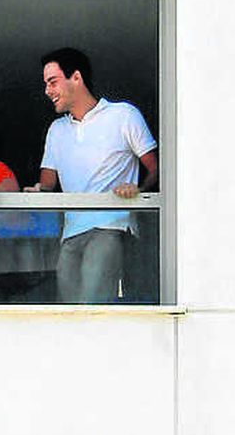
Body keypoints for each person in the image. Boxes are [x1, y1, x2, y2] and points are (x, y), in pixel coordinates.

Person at [22, 47, 157, 304]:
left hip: (110, 227)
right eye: (46, 84)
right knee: (70, 309)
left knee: (93, 305)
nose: (47, 91)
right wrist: (37, 191)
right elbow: (48, 184)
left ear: (76, 77)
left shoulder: (123, 115)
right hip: (71, 234)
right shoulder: (56, 130)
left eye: (53, 82)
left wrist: (137, 188)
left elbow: (156, 168)